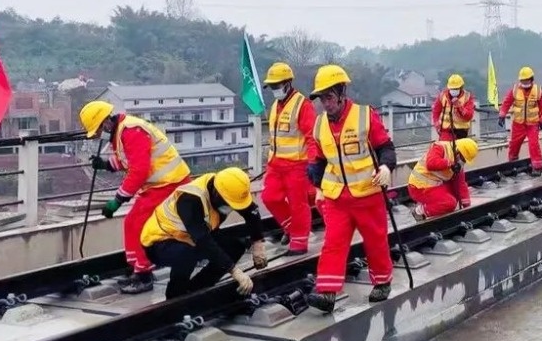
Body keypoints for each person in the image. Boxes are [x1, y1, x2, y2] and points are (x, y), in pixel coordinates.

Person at [306, 64, 397, 313]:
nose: (326, 103)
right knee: (333, 243)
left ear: (341, 92)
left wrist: (387, 168)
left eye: (329, 97)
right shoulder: (319, 125)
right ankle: (326, 292)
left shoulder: (365, 116)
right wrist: (317, 186)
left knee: (375, 240)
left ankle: (382, 281)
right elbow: (318, 160)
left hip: (368, 193)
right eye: (321, 98)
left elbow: (385, 147)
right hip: (337, 198)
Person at [79, 100, 191, 294]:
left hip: (170, 183)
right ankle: (136, 269)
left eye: (98, 129)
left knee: (139, 223)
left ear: (106, 122)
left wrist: (117, 201)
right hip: (158, 184)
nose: (98, 134)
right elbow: (127, 160)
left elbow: (138, 170)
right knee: (131, 222)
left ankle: (144, 275)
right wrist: (105, 165)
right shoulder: (122, 131)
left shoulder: (131, 131)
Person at [140, 167, 267, 299]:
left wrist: (258, 242)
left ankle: (196, 290)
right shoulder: (191, 199)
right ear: (217, 194)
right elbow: (202, 240)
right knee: (187, 253)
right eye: (229, 204)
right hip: (160, 242)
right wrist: (234, 270)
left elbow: (251, 212)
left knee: (235, 247)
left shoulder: (227, 186)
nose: (231, 208)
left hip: (190, 237)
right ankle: (174, 297)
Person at [260, 62, 319, 255]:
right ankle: (292, 229)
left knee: (298, 204)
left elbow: (311, 137)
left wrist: (312, 163)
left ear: (288, 83)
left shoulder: (303, 105)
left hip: (297, 165)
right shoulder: (276, 105)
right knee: (269, 198)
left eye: (277, 86)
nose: (275, 90)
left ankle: (299, 243)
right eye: (272, 87)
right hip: (275, 164)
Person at [408, 138, 479, 220]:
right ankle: (419, 212)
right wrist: (450, 164)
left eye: (465, 160)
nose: (463, 162)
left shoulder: (458, 164)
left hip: (434, 185)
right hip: (419, 187)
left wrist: (467, 207)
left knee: (455, 196)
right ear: (458, 152)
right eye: (463, 159)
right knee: (449, 203)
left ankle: (432, 203)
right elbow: (431, 163)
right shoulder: (440, 147)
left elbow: (460, 184)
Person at [498, 67, 542, 177]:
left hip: (533, 124)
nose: (524, 83)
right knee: (514, 145)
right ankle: (512, 164)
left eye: (526, 80)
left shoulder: (538, 91)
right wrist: (502, 114)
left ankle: (537, 167)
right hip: (518, 124)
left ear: (531, 79)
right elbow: (507, 102)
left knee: (534, 145)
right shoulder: (515, 90)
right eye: (522, 80)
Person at [432, 74, 475, 141]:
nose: (453, 90)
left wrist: (459, 106)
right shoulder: (442, 96)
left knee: (459, 151)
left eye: (456, 89)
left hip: (461, 132)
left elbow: (469, 116)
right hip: (445, 132)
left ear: (461, 87)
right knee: (445, 150)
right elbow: (435, 112)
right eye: (452, 89)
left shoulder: (467, 97)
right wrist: (437, 125)